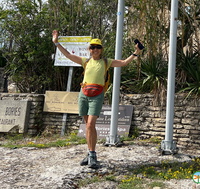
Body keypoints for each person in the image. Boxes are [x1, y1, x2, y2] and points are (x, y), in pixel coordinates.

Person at [52, 30, 142, 169]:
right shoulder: (85, 61)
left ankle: (92, 154)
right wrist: (56, 42)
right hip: (84, 94)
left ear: (101, 49)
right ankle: (89, 153)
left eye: (98, 47)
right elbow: (68, 55)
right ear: (89, 49)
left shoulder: (106, 62)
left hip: (97, 95)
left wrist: (136, 53)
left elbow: (123, 63)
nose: (95, 49)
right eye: (92, 47)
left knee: (90, 125)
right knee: (88, 126)